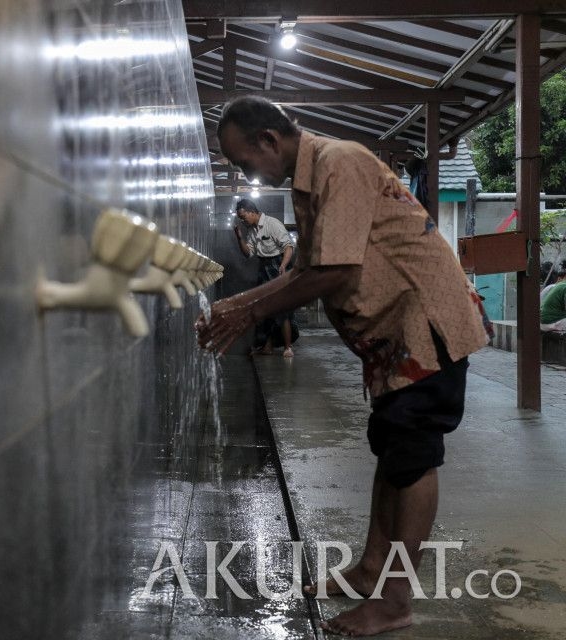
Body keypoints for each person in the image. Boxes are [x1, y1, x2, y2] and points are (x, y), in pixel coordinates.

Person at [196, 96, 492, 637]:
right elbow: (306, 269)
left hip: (424, 327)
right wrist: (235, 306)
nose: (247, 174)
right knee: (393, 445)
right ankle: (371, 569)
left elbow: (334, 270)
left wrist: (250, 313)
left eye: (244, 161)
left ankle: (396, 600)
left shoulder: (340, 162)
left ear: (269, 141)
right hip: (395, 336)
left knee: (414, 455)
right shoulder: (313, 180)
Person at [233, 198, 296, 357]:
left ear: (252, 212)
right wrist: (239, 237)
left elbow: (288, 247)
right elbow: (248, 253)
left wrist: (283, 265)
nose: (242, 220)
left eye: (243, 216)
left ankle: (288, 347)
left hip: (278, 266)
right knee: (264, 309)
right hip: (264, 267)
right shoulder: (251, 230)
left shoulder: (272, 224)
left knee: (282, 308)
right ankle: (267, 346)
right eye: (240, 217)